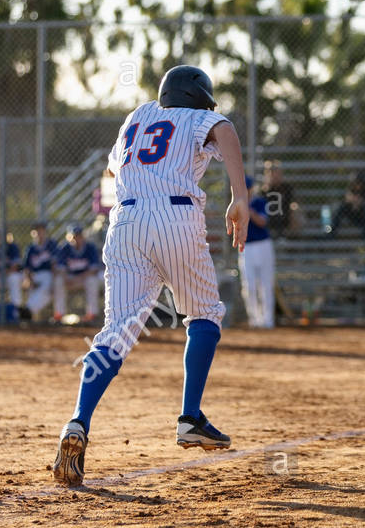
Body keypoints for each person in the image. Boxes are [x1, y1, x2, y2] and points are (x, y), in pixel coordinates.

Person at [52, 64, 249, 487]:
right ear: (198, 97)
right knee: (204, 315)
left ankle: (77, 422)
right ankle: (190, 417)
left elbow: (111, 170)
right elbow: (226, 130)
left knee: (115, 334)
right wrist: (240, 196)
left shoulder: (137, 116)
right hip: (175, 215)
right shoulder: (198, 117)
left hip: (124, 222)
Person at [239, 176, 276, 328]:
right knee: (249, 285)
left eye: (248, 188)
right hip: (246, 247)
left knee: (266, 283)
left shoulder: (259, 202)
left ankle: (267, 320)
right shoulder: (237, 205)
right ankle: (254, 319)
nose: (246, 191)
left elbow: (262, 222)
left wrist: (249, 210)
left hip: (263, 245)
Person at [53, 223, 104, 322]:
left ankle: (92, 314)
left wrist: (78, 279)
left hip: (84, 278)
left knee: (92, 281)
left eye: (79, 236)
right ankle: (59, 314)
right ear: (68, 237)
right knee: (58, 281)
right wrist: (66, 278)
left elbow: (93, 270)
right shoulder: (65, 248)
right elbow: (60, 268)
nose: (77, 238)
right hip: (69, 279)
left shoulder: (90, 247)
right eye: (74, 236)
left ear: (83, 237)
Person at [328, 172, 365, 239]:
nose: (356, 184)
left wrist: (362, 203)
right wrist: (354, 202)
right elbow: (347, 199)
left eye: (358, 182)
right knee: (340, 207)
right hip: (356, 213)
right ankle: (330, 233)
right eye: (354, 182)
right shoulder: (352, 187)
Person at [23, 221, 58, 319]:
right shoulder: (30, 248)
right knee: (34, 290)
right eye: (37, 231)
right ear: (33, 233)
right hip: (34, 275)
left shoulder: (51, 244)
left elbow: (54, 265)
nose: (39, 233)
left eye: (41, 231)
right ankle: (29, 313)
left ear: (45, 232)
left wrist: (54, 281)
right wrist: (29, 280)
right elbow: (27, 268)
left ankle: (28, 310)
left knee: (47, 286)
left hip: (48, 274)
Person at [261, 159, 299, 237]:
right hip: (268, 218)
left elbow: (293, 202)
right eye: (272, 172)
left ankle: (291, 237)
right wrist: (268, 186)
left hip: (284, 217)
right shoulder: (263, 190)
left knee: (295, 209)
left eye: (277, 172)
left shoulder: (286, 187)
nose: (275, 175)